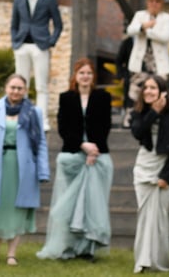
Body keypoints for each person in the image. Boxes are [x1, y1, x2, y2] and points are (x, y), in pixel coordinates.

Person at [37, 58, 113, 261]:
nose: (85, 76)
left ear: (93, 77)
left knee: (91, 205)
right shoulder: (66, 98)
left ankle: (87, 248)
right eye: (82, 73)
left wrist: (93, 150)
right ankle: (68, 246)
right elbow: (63, 128)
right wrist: (82, 145)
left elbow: (105, 125)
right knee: (69, 206)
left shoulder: (103, 98)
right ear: (75, 76)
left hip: (97, 156)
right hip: (73, 154)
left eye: (89, 73)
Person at [0, 74, 49, 267]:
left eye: (20, 88)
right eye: (12, 87)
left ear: (25, 90)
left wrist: (42, 171)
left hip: (22, 168)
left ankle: (12, 254)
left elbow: (40, 142)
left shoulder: (33, 112)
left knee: (17, 210)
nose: (16, 91)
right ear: (6, 88)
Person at [129, 75, 169, 273]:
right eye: (146, 88)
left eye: (153, 88)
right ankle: (142, 261)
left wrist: (166, 176)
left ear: (163, 91)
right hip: (143, 168)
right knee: (144, 214)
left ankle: (159, 261)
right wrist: (153, 111)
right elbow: (137, 132)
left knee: (160, 216)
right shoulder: (138, 112)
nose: (148, 91)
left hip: (165, 169)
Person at [11, 0, 63, 130]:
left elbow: (58, 24)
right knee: (20, 85)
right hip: (22, 45)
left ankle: (42, 121)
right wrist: (14, 42)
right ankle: (22, 117)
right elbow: (14, 24)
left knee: (41, 86)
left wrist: (50, 42)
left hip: (41, 46)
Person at [126, 0, 169, 103]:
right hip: (139, 66)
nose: (154, 4)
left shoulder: (167, 18)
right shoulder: (139, 15)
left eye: (157, 1)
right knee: (136, 98)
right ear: (147, 3)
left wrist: (146, 30)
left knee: (159, 97)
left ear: (162, 3)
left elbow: (165, 37)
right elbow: (130, 30)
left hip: (159, 66)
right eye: (151, 1)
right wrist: (143, 26)